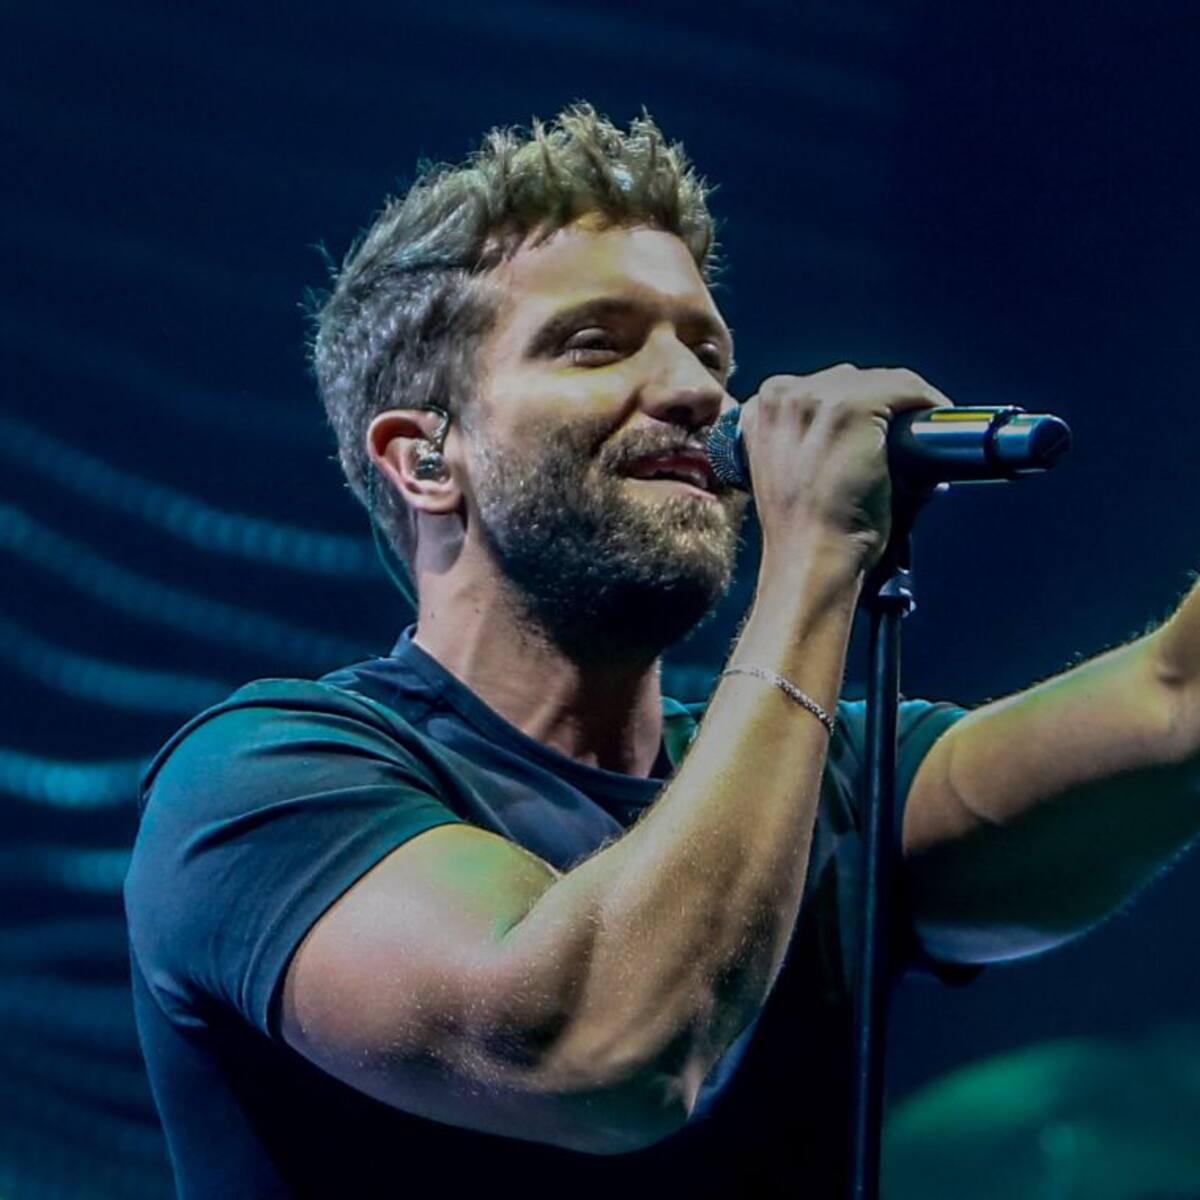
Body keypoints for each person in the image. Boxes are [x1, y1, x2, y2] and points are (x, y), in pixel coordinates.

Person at [124, 101, 1200, 1198]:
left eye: (707, 350)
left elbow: (1180, 704)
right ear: (426, 459)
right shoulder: (262, 781)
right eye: (596, 342)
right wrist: (816, 558)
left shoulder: (834, 780)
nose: (698, 392)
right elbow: (597, 1053)